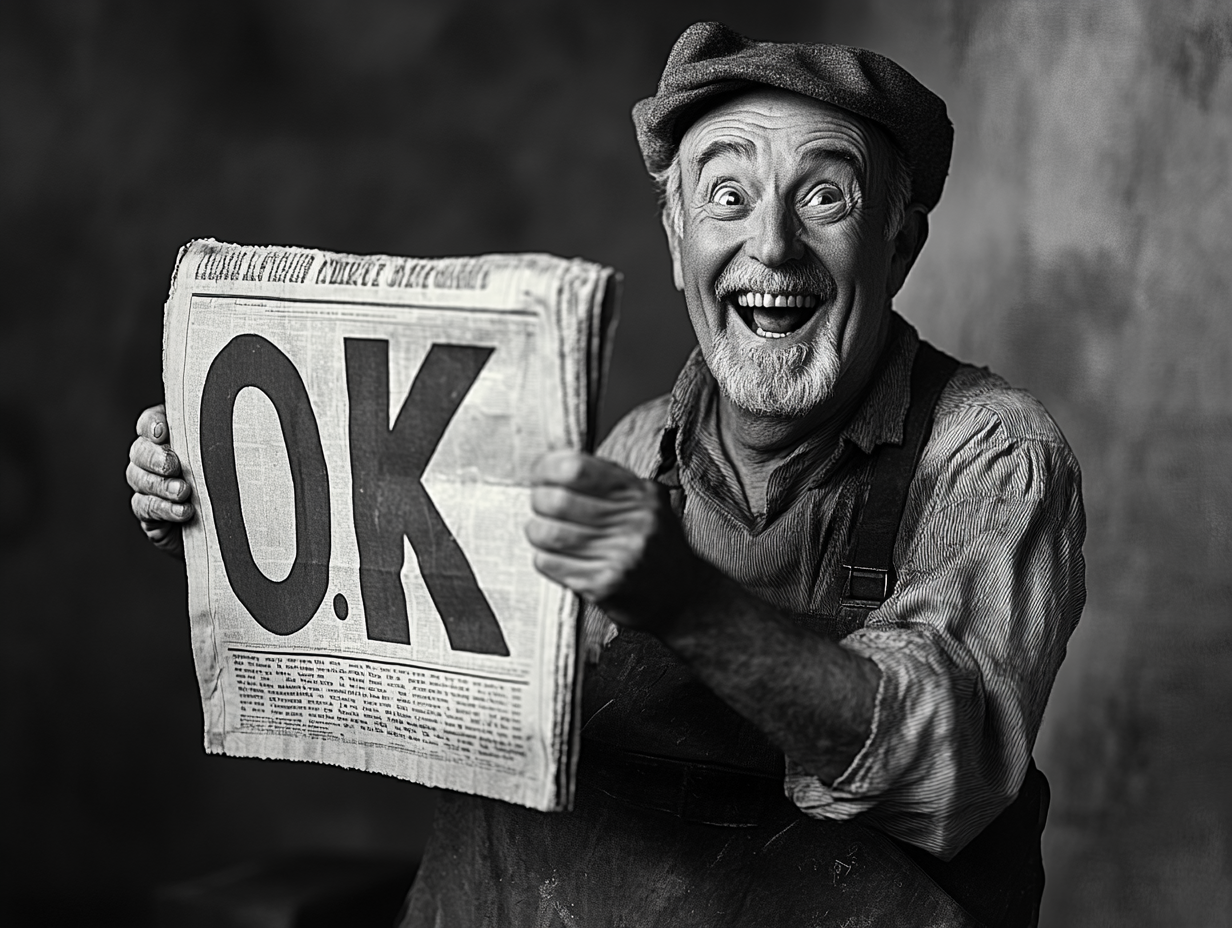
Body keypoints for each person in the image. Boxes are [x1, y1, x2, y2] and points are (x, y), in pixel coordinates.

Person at [128, 23, 1085, 928]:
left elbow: (946, 760)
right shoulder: (633, 450)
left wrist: (684, 601)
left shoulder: (992, 452)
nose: (773, 246)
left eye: (825, 197)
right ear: (678, 244)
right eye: (727, 197)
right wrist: (235, 490)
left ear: (900, 245)